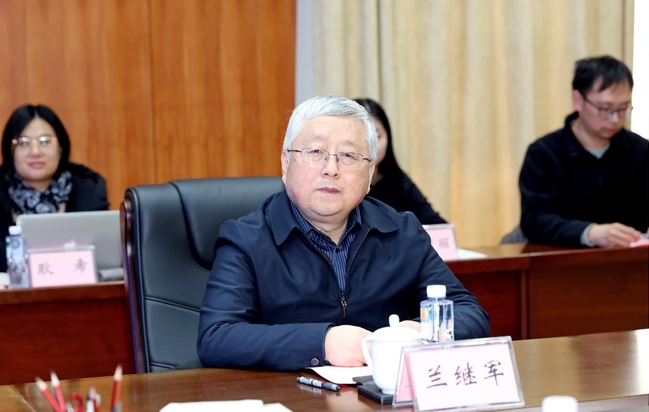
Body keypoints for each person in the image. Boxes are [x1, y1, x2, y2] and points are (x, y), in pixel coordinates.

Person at [198, 95, 489, 371]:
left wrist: (420, 331)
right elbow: (216, 337)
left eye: (349, 155)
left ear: (369, 173)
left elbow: (470, 313)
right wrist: (321, 343)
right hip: (290, 396)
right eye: (315, 152)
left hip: (380, 394)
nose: (331, 169)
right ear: (286, 163)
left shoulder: (401, 232)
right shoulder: (246, 239)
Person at [519, 56, 648, 248]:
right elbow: (534, 219)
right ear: (578, 100)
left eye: (622, 109)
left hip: (629, 260)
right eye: (605, 109)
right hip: (562, 259)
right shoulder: (544, 153)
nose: (615, 119)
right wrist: (590, 233)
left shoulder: (641, 151)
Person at [0, 104, 109, 271]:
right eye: (24, 143)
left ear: (60, 148)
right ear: (10, 150)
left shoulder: (89, 190)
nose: (35, 152)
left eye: (44, 141)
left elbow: (105, 255)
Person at [354, 97, 447, 225]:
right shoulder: (340, 181)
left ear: (388, 137)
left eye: (377, 137)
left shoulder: (398, 180)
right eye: (363, 138)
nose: (371, 146)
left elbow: (436, 224)